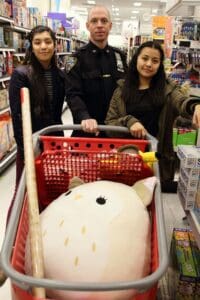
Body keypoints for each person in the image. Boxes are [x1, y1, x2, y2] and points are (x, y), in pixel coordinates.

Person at [105, 41, 200, 192]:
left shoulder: (168, 89)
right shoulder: (121, 90)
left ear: (160, 65)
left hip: (157, 160)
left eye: (155, 61)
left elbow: (181, 101)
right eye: (145, 58)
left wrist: (195, 106)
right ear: (136, 59)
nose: (149, 64)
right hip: (125, 159)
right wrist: (129, 121)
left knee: (151, 205)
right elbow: (110, 124)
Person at [8, 25, 66, 218]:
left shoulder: (60, 75)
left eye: (48, 42)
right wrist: (26, 151)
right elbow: (17, 116)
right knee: (23, 193)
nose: (43, 46)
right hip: (30, 142)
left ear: (55, 44)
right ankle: (14, 240)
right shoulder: (21, 74)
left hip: (54, 142)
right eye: (38, 42)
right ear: (31, 46)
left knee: (50, 189)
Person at [65, 5, 127, 137]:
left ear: (110, 26)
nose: (99, 25)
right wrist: (84, 117)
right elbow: (72, 94)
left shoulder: (120, 56)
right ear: (88, 26)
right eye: (94, 21)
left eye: (104, 21)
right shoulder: (74, 59)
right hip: (86, 131)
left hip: (116, 130)